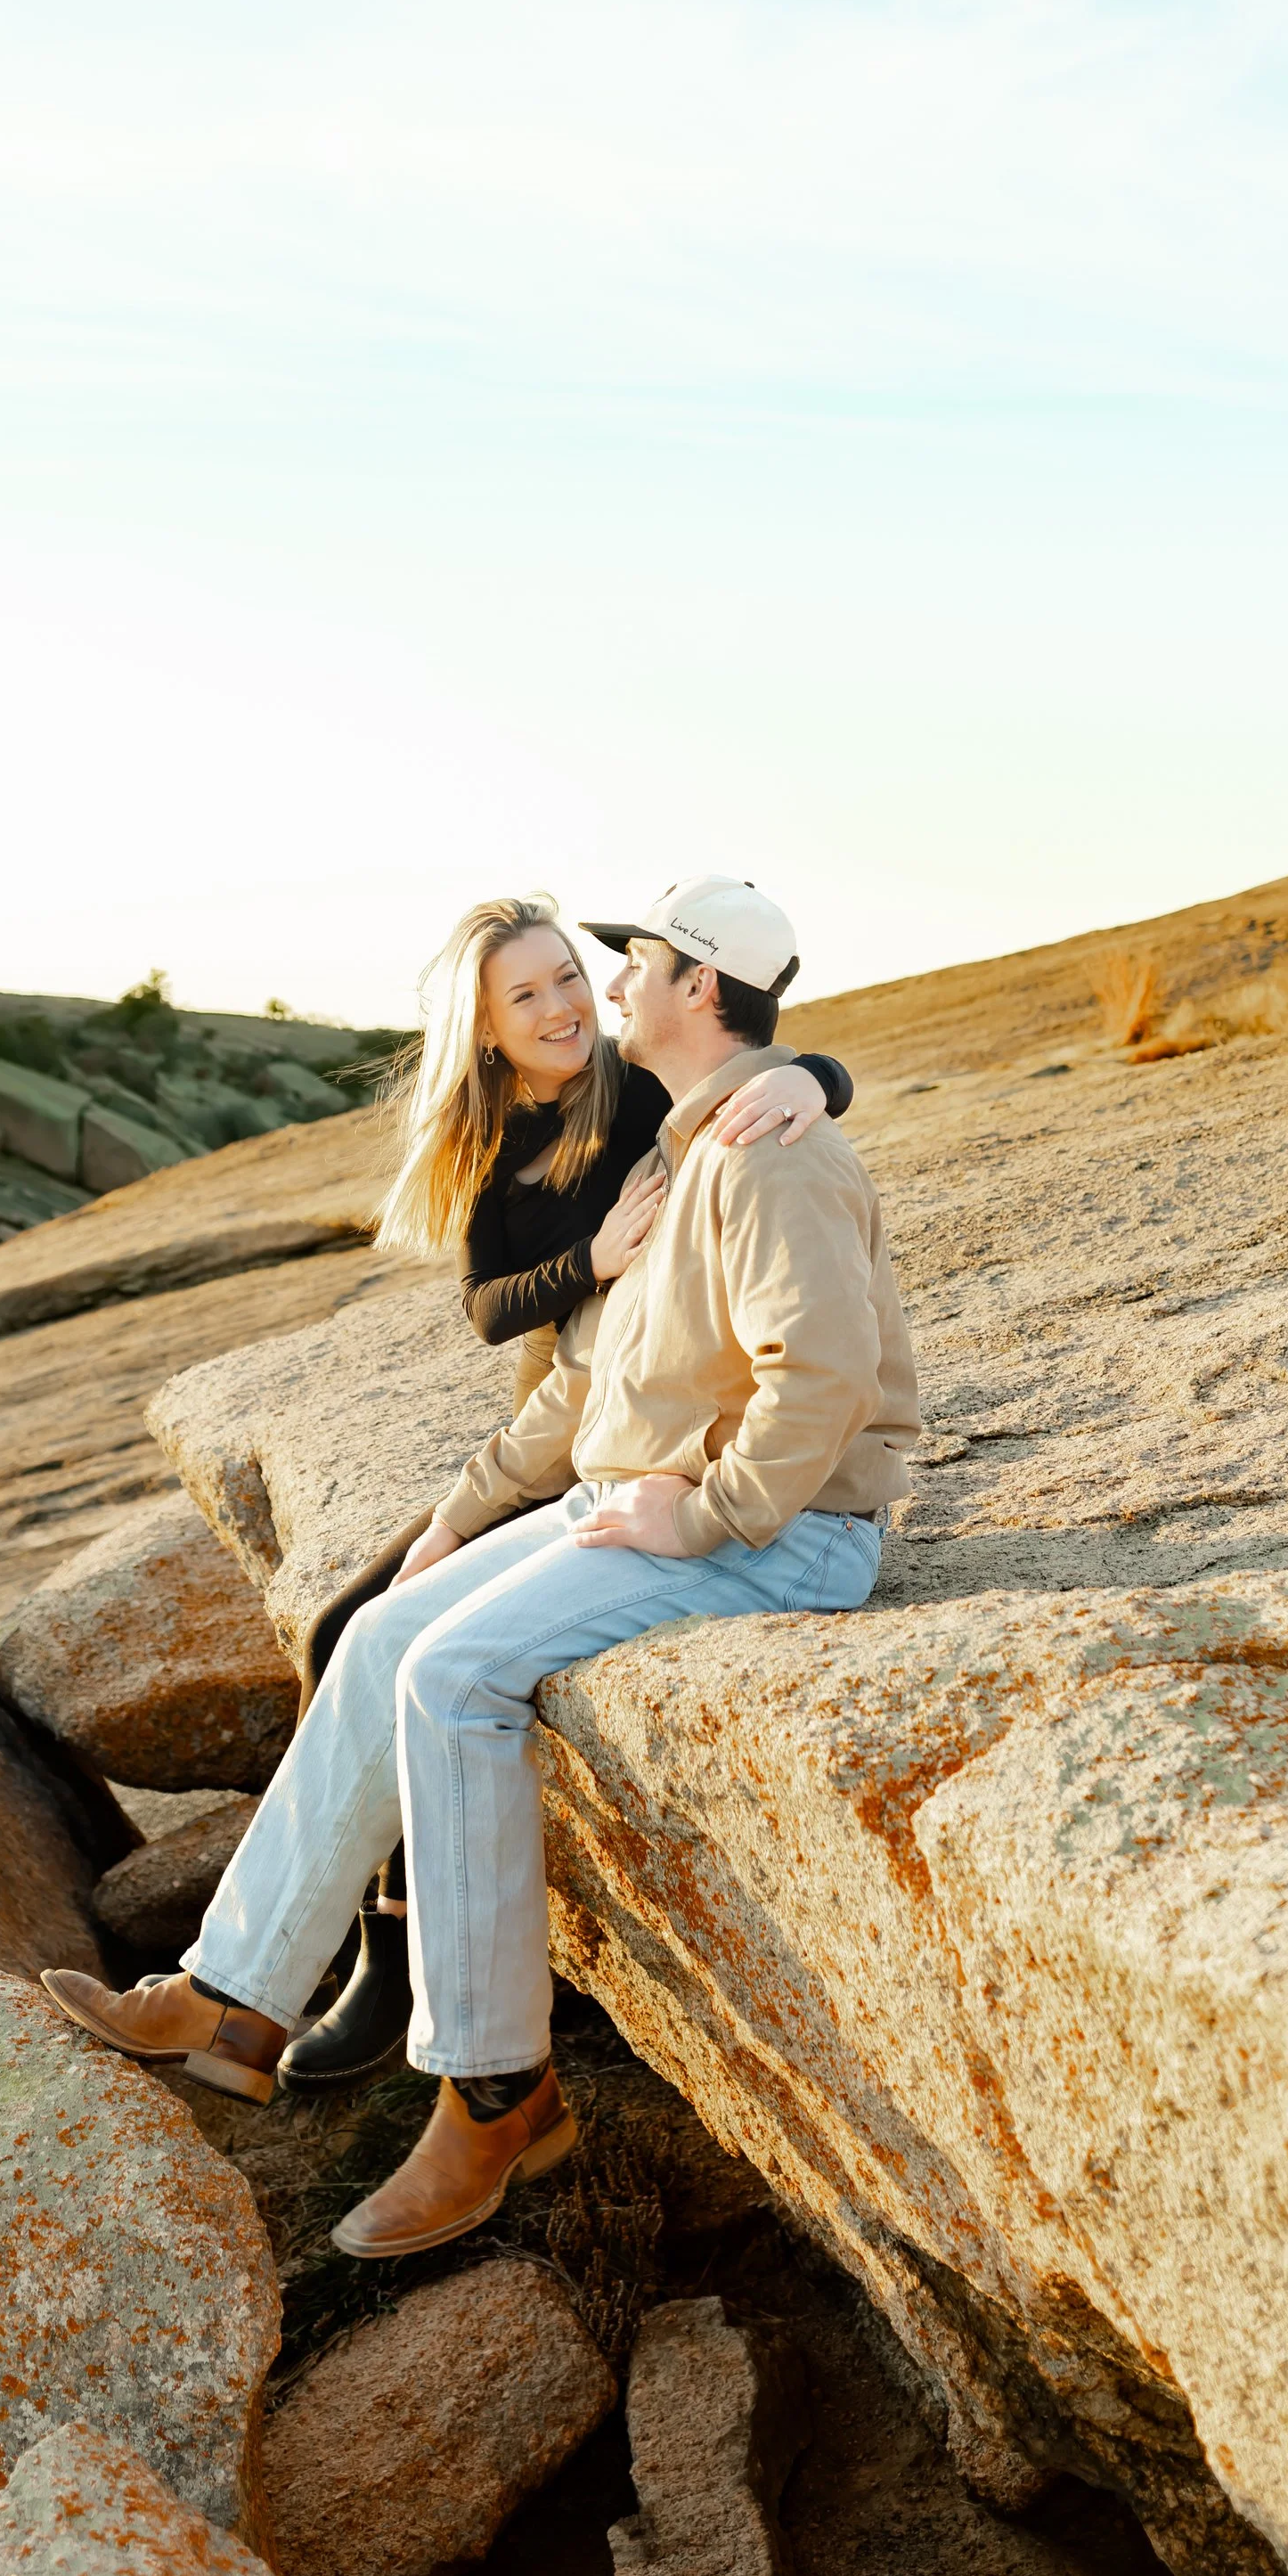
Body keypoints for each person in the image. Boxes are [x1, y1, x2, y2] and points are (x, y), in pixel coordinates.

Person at [41, 875, 918, 2261]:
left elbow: (828, 1374)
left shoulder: (769, 1149)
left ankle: (497, 2093)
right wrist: (456, 1519)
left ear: (700, 987)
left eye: (630, 965)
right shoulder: (681, 1147)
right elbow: (589, 1380)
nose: (606, 988)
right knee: (392, 1634)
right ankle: (234, 1995)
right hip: (644, 1490)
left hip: (781, 1534)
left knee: (455, 1676)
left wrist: (704, 1515)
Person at [272, 895, 854, 2088]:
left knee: (429, 1657)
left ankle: (402, 1965)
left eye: (577, 979)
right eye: (525, 994)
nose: (567, 1004)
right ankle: (365, 1945)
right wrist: (586, 1263)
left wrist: (817, 1082)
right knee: (351, 1627)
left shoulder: (638, 1094)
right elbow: (492, 1308)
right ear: (485, 1030)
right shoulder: (498, 1151)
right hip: (565, 1411)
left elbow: (754, 1058)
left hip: (612, 1429)